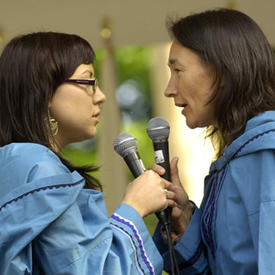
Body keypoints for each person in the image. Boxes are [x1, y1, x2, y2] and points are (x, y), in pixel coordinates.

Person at [0, 32, 174, 274]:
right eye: (89, 81)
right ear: (46, 91)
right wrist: (134, 206)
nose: (101, 96)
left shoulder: (14, 162)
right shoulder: (37, 165)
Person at [152, 8, 275, 275]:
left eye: (178, 70)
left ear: (221, 71)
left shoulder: (267, 154)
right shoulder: (239, 155)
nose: (169, 89)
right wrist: (184, 217)